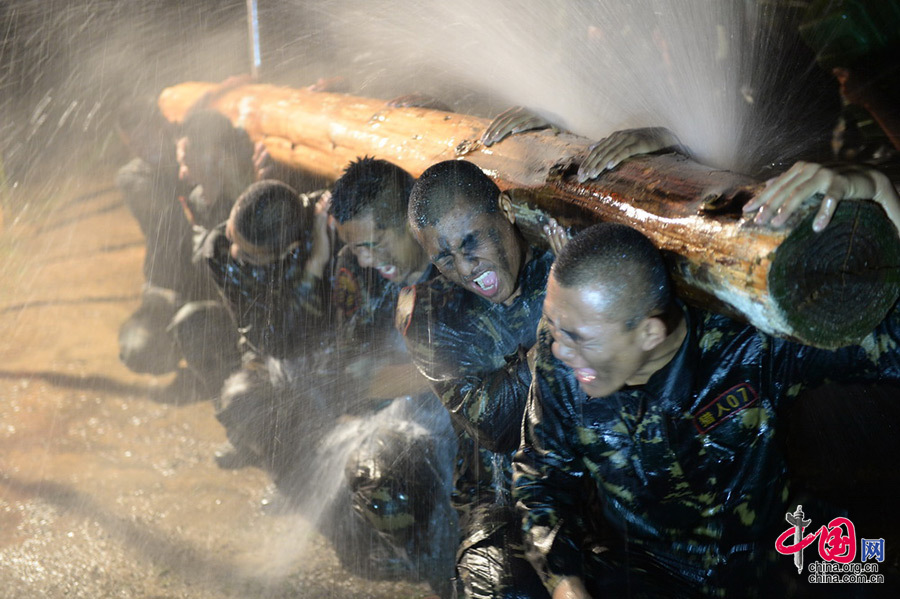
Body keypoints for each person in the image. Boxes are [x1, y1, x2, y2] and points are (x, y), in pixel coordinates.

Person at [513, 163, 900, 598]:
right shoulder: (564, 350)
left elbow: (894, 342)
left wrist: (878, 189)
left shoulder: (748, 345)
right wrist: (564, 584)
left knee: (869, 573)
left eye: (576, 337)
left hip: (770, 557)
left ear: (650, 333)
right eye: (553, 328)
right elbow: (541, 478)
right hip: (643, 570)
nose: (558, 350)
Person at [402, 158, 557, 599]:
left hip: (592, 484)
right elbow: (493, 422)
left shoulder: (560, 259)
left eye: (471, 242)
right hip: (501, 499)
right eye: (444, 257)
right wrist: (562, 326)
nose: (466, 267)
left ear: (505, 211)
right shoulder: (432, 313)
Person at [326, 156, 457, 597]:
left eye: (376, 242)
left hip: (477, 438)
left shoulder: (456, 258)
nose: (366, 258)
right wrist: (446, 370)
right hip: (410, 426)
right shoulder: (355, 269)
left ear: (410, 220)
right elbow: (360, 379)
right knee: (378, 485)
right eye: (357, 247)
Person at [195, 179, 335, 479]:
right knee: (245, 401)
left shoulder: (329, 226)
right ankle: (259, 446)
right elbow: (273, 342)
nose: (235, 253)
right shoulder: (219, 248)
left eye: (250, 256)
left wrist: (319, 259)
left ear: (289, 249)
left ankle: (300, 460)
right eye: (232, 233)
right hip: (270, 349)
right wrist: (313, 270)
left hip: (331, 354)